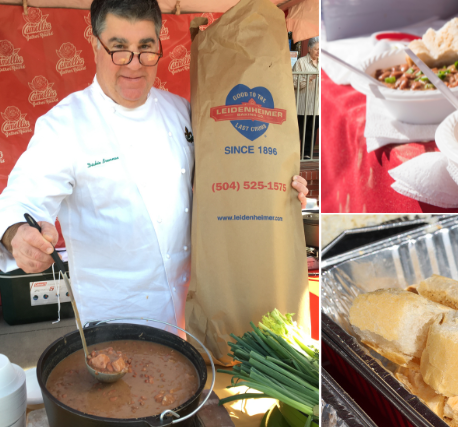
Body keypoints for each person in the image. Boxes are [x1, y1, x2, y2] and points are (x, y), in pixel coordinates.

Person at [0, 0, 308, 336]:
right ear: (94, 44)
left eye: (146, 48)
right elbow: (20, 198)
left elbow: (229, 180)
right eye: (119, 49)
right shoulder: (65, 125)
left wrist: (278, 191)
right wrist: (17, 233)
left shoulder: (182, 113)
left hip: (196, 317)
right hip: (114, 324)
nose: (134, 65)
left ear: (160, 44)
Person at [292, 37, 319, 159]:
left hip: (317, 105)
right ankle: (295, 155)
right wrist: (310, 78)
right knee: (300, 132)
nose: (319, 52)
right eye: (316, 49)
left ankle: (307, 155)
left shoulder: (323, 63)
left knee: (312, 131)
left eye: (320, 49)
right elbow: (294, 82)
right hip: (303, 105)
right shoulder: (300, 63)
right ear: (309, 49)